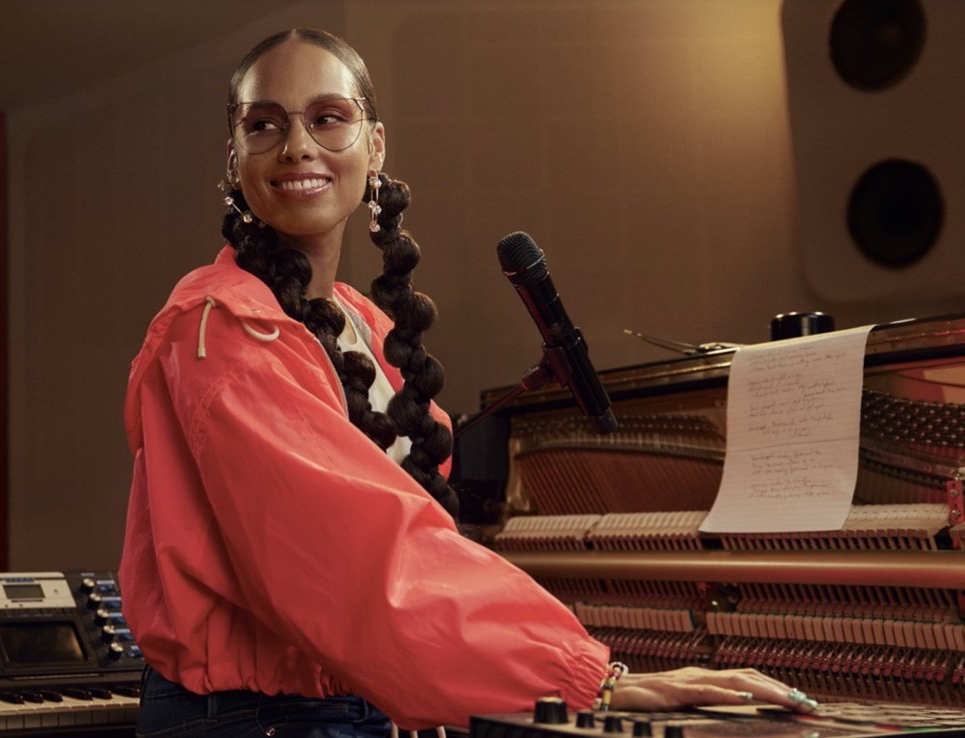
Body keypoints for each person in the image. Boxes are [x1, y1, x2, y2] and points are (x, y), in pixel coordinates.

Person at [119, 28, 817, 736]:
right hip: (253, 718)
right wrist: (581, 677)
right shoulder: (221, 326)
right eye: (264, 124)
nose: (297, 146)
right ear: (234, 157)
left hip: (353, 705)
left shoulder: (360, 323)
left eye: (328, 117)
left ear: (376, 145)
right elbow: (349, 551)